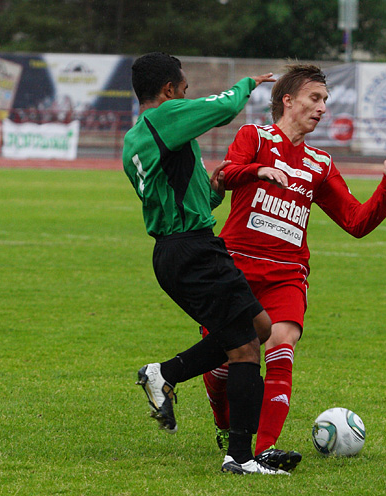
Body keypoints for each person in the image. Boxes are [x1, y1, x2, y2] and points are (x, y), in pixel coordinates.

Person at [201, 64, 386, 471]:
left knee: (281, 345)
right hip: (236, 268)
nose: (322, 108)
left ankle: (262, 450)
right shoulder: (255, 137)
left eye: (325, 101)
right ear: (288, 100)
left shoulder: (319, 163)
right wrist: (259, 170)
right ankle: (226, 424)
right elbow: (226, 174)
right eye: (314, 99)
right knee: (223, 362)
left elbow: (356, 222)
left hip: (286, 273)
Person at [122, 52, 288, 475]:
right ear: (167, 90)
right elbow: (225, 108)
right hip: (193, 249)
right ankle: (240, 457)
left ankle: (165, 373)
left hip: (177, 249)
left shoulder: (136, 140)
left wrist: (213, 191)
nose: (186, 93)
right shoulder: (166, 118)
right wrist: (248, 83)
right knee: (246, 347)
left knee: (260, 327)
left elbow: (179, 193)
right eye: (183, 87)